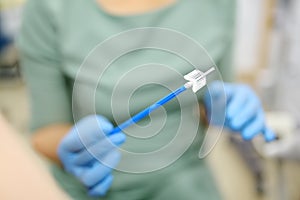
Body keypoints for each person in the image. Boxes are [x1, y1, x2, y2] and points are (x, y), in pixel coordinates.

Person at [17, 0, 275, 199]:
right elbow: (45, 130)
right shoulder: (50, 8)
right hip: (88, 188)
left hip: (185, 185)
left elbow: (211, 101)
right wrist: (75, 151)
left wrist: (222, 107)